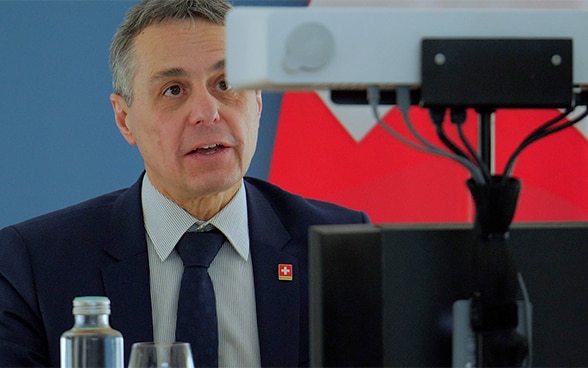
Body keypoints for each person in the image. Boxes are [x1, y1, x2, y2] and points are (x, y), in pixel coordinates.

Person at [0, 0, 370, 367]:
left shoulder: (338, 246)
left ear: (257, 102)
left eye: (226, 83)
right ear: (125, 119)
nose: (207, 113)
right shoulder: (36, 265)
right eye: (174, 90)